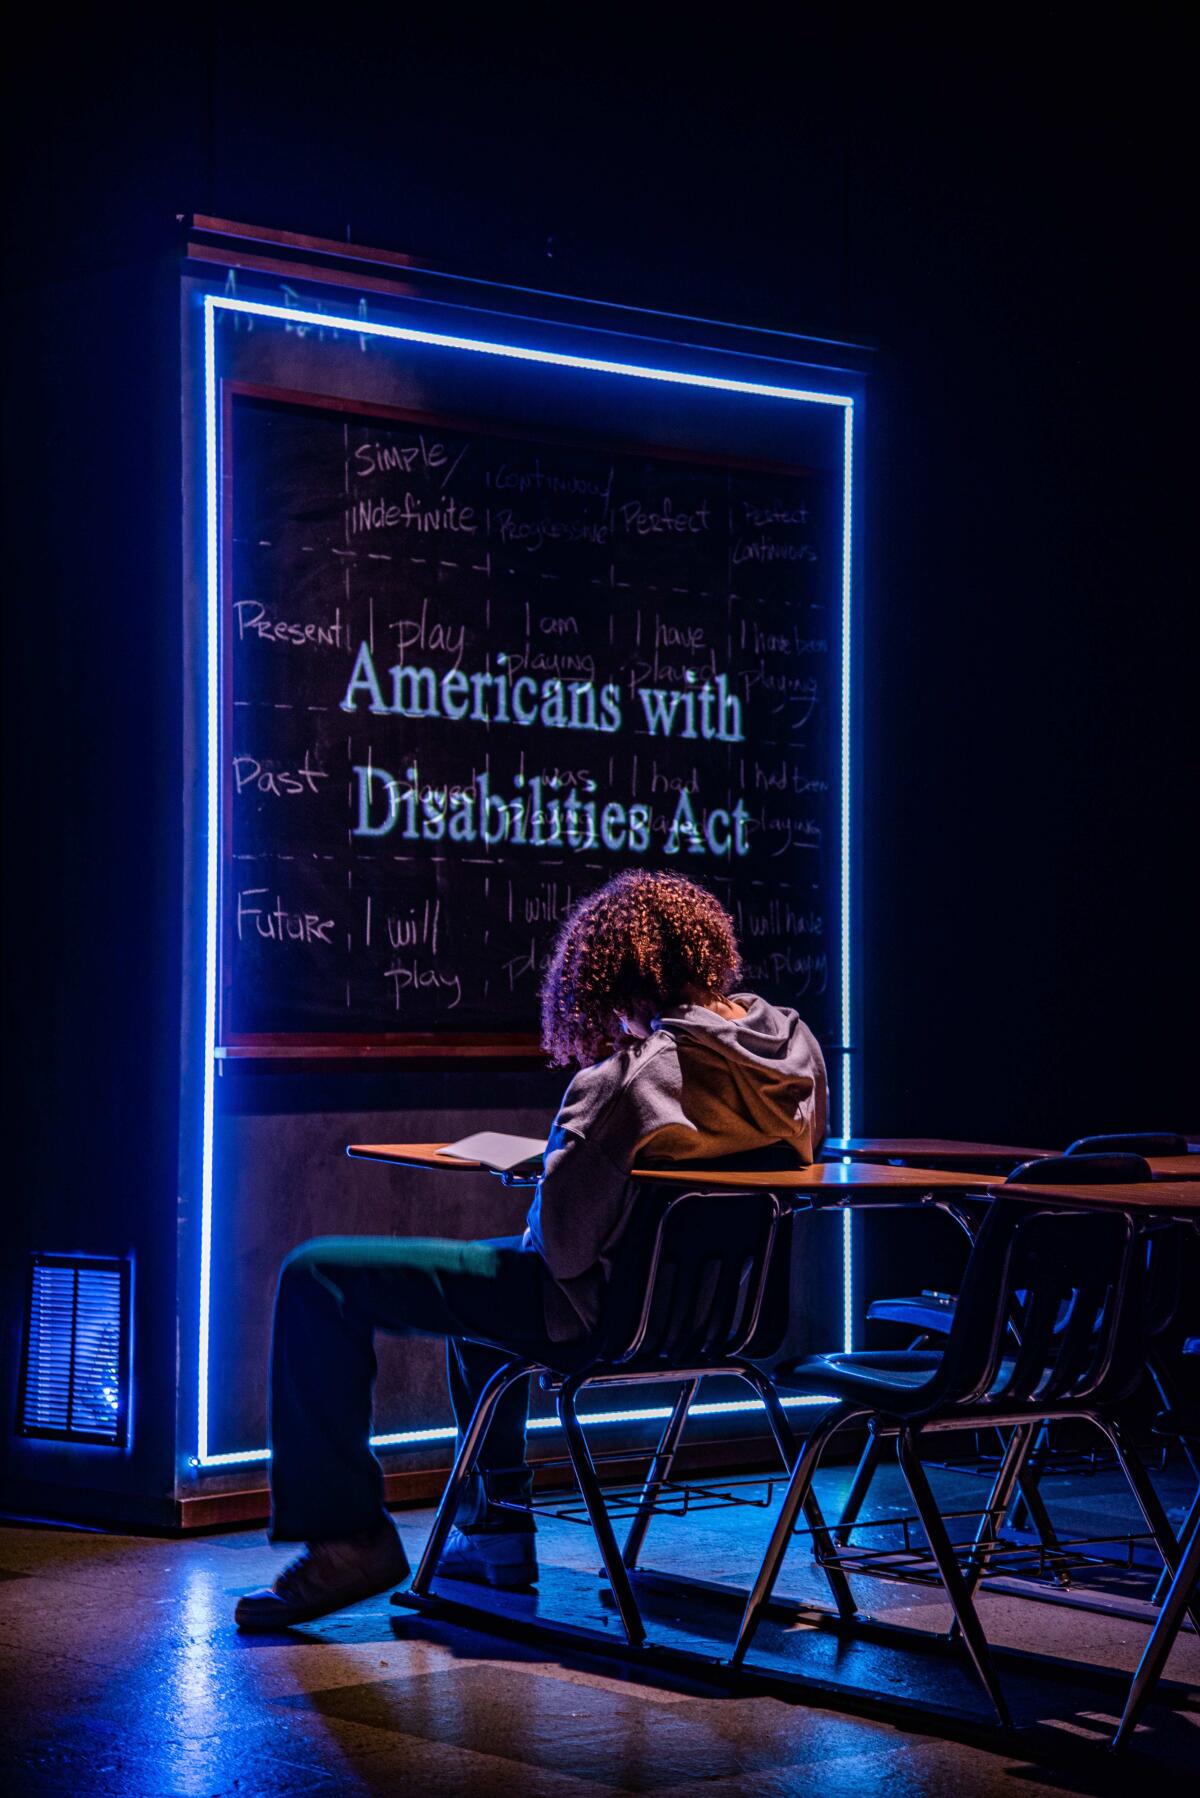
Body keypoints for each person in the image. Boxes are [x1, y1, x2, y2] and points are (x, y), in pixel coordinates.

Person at [235, 870, 827, 1628]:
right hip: (727, 1322)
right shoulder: (796, 1057)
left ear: (613, 974)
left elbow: (563, 1252)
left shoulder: (625, 1083)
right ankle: (496, 1538)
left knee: (317, 1275)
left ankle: (350, 1540)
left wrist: (552, 1174)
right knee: (485, 1305)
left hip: (597, 1318)